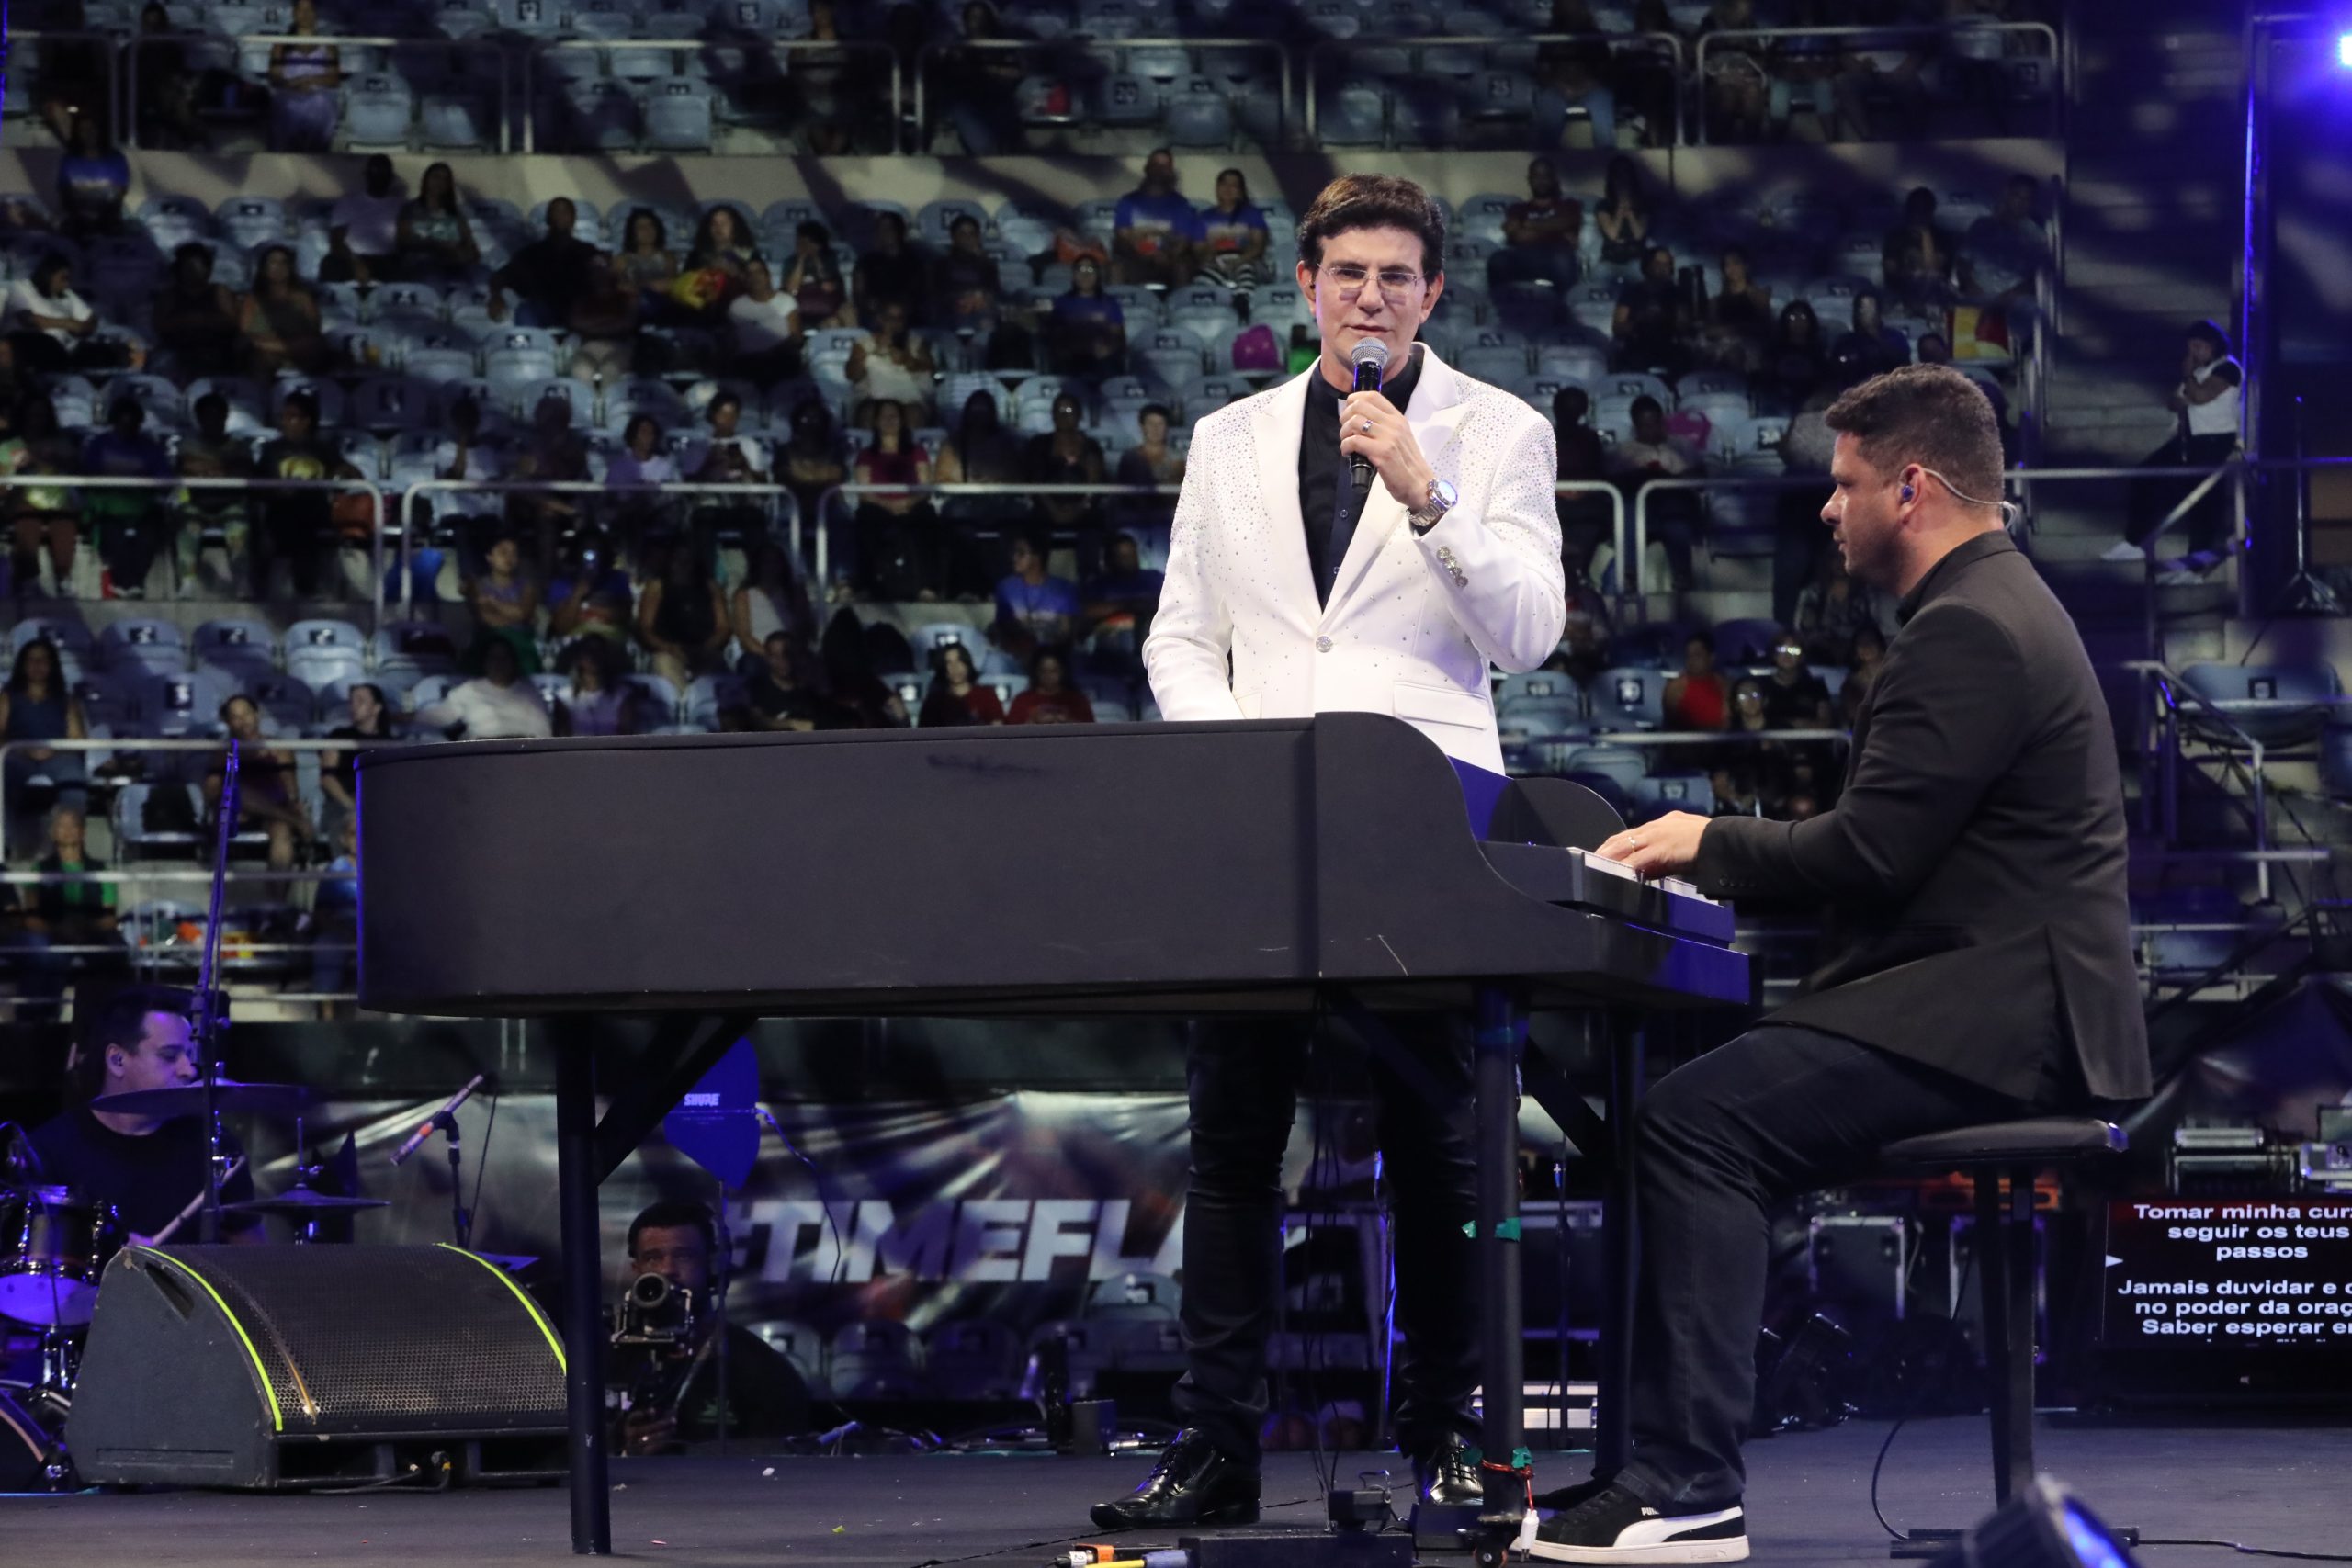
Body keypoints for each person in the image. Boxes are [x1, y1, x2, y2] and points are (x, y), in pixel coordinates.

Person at [1538, 364, 2147, 1562]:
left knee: (1696, 1123)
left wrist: (1707, 840)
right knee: (1701, 1108)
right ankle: (1660, 1462)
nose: (1827, 507)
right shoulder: (1996, 602)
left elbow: (1872, 851)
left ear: (1910, 488)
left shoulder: (1967, 627)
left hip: (2005, 1017)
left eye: (1844, 482)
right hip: (1999, 1001)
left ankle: (1686, 1483)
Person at [1112, 174, 1563, 1532]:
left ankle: (1443, 1435)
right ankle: (1215, 1446)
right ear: (1306, 284)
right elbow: (1180, 636)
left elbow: (1528, 634)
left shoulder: (1498, 431)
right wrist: (1237, 762)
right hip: (1258, 826)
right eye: (1349, 273)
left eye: (1397, 276)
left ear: (1434, 294)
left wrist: (1427, 492)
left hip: (1425, 826)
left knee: (1442, 1148)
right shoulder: (1228, 438)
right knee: (1232, 1140)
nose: (1372, 296)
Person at [28, 987, 263, 1245]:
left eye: (189, 1056)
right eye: (169, 1056)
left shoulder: (214, 1147)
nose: (188, 1070)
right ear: (117, 1060)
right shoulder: (48, 1151)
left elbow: (251, 1257)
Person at [613, 1201, 810, 1454]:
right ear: (636, 1269)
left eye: (683, 1256)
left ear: (713, 1267)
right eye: (653, 1258)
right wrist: (620, 1447)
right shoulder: (606, 1358)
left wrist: (688, 1453)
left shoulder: (762, 1368)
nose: (667, 1270)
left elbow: (781, 1463)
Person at [2106, 320, 2242, 564]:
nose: (2193, 354)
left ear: (2213, 345)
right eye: (2190, 349)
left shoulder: (2228, 369)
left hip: (2213, 441)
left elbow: (2199, 396)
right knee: (2145, 477)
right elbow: (2173, 401)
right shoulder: (2198, 373)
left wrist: (2188, 380)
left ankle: (2196, 564)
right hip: (2188, 440)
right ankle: (2135, 541)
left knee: (2202, 502)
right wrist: (2189, 389)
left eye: (2198, 347)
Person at [9, 806, 119, 1020]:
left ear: (83, 831)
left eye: (73, 825)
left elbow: (109, 918)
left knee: (114, 949)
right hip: (51, 936)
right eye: (61, 825)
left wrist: (85, 930)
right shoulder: (39, 870)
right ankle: (33, 1019)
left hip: (90, 935)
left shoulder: (101, 870)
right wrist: (58, 931)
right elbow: (30, 918)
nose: (68, 830)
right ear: (52, 832)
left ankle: (108, 1017)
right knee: (44, 955)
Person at [254, 391, 360, 599]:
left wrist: (341, 471)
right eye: (283, 417)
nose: (285, 422)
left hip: (313, 510)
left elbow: (353, 473)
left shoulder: (323, 449)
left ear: (306, 421)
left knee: (305, 521)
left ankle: (306, 589)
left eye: (291, 417)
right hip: (279, 510)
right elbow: (258, 483)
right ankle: (262, 590)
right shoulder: (271, 450)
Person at [81, 396, 177, 599]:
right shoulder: (99, 445)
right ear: (114, 422)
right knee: (113, 536)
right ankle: (121, 583)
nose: (127, 428)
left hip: (142, 506)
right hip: (108, 507)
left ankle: (135, 584)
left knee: (149, 535)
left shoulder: (149, 447)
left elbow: (164, 476)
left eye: (132, 423)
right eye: (123, 423)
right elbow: (88, 474)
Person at [1607, 396, 1704, 591]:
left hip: (1675, 504)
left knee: (1676, 524)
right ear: (1636, 425)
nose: (1651, 430)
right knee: (1629, 512)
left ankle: (1683, 577)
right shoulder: (1624, 451)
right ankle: (1630, 574)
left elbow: (1700, 476)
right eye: (1645, 425)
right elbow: (1615, 482)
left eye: (1655, 423)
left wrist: (1670, 477)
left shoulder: (1682, 446)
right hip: (1640, 507)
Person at [206, 695, 312, 871]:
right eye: (235, 717)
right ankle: (296, 821)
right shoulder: (223, 753)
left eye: (246, 714)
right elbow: (211, 792)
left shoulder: (278, 749)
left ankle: (277, 889)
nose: (243, 721)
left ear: (257, 714)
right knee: (236, 790)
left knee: (282, 830)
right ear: (228, 722)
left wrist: (293, 806)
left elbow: (291, 792)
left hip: (274, 811)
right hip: (236, 814)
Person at [1, 639, 89, 850]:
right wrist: (24, 749)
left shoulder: (66, 699)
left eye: (43, 660)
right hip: (17, 754)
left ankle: (69, 845)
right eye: (32, 660)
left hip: (58, 755)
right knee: (3, 777)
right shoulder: (7, 697)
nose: (37, 665)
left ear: (52, 665)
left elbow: (77, 737)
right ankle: (6, 843)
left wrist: (52, 750)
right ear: (23, 665)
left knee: (74, 780)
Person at [852, 399, 939, 602]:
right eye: (884, 416)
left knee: (926, 516)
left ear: (902, 421)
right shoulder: (866, 455)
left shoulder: (917, 452)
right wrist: (888, 505)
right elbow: (864, 492)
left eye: (894, 416)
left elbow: (925, 487)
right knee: (865, 517)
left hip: (911, 505)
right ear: (876, 422)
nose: (889, 420)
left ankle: (926, 586)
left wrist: (907, 503)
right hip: (878, 507)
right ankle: (867, 585)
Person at [175, 392, 256, 592]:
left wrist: (211, 467)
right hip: (197, 504)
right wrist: (221, 467)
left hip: (230, 505)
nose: (212, 421)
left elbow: (245, 470)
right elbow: (185, 467)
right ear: (199, 419)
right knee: (187, 528)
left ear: (225, 417)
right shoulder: (188, 445)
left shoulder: (239, 446)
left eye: (217, 415)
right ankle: (187, 581)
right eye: (207, 416)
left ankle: (242, 583)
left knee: (239, 530)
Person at [489, 197, 599, 330]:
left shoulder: (588, 252)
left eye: (565, 212)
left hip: (579, 311)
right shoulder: (531, 253)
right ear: (548, 219)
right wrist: (496, 297)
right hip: (541, 311)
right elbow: (500, 277)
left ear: (573, 219)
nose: (560, 216)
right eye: (556, 212)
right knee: (525, 312)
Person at [636, 544, 731, 690]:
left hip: (706, 649)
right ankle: (680, 700)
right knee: (665, 665)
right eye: (678, 559)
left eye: (688, 560)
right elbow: (645, 628)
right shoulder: (656, 587)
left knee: (715, 670)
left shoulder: (711, 587)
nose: (683, 564)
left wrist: (707, 647)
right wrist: (669, 648)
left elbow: (723, 627)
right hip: (667, 650)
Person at [1488, 158, 1584, 298]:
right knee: (1498, 260)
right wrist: (1556, 231)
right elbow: (1516, 235)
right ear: (1529, 179)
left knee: (1562, 260)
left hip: (1557, 255)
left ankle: (1567, 306)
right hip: (1523, 256)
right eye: (1536, 176)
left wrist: (1528, 224)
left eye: (1546, 176)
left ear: (1554, 179)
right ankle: (1502, 306)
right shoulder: (1518, 208)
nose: (1541, 181)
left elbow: (1567, 222)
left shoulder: (1568, 205)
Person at [421, 638, 551, 739]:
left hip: (522, 752)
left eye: (504, 658)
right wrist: (409, 717)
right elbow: (440, 716)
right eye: (494, 658)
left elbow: (543, 730)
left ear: (513, 662)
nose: (499, 663)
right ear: (485, 662)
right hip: (480, 751)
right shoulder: (470, 690)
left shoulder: (529, 692)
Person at [1533, 0, 1618, 151]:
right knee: (1548, 101)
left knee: (1603, 100)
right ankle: (1546, 158)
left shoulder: (1594, 35)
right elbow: (1542, 71)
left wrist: (1588, 86)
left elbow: (1605, 70)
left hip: (1591, 89)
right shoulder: (1550, 36)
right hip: (1558, 89)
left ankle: (1606, 154)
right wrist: (1561, 87)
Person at [1023, 393, 1107, 539]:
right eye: (1059, 410)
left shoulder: (1090, 447)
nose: (1063, 415)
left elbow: (1095, 484)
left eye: (1068, 410)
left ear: (1079, 415)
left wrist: (1080, 508)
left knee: (1095, 531)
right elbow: (1035, 481)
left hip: (1083, 512)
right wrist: (1054, 510)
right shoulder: (1039, 444)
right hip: (1046, 510)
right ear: (1053, 414)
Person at [1113, 149, 1199, 288]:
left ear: (1170, 171)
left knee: (1183, 266)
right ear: (1147, 168)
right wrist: (1144, 252)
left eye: (1164, 166)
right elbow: (1123, 235)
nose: (1159, 170)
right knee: (1116, 267)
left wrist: (1167, 256)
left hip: (1168, 260)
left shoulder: (1180, 204)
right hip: (1135, 259)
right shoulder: (1128, 201)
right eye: (1156, 165)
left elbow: (1183, 240)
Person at [237, 244, 328, 378]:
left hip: (299, 354)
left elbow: (314, 333)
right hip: (264, 355)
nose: (279, 267)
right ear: (264, 268)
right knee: (258, 357)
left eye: (283, 263)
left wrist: (284, 344)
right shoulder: (252, 301)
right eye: (273, 262)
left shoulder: (303, 299)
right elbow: (245, 336)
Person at [153, 243, 243, 375]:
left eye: (198, 266)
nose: (193, 271)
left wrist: (199, 320)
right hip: (180, 349)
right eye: (188, 266)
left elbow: (231, 320)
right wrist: (189, 321)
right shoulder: (170, 295)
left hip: (217, 347)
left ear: (208, 269)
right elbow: (161, 324)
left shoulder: (218, 290)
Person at [6, 253, 102, 376]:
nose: (67, 284)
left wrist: (83, 328)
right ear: (48, 275)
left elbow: (91, 319)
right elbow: (28, 319)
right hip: (31, 346)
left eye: (69, 279)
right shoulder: (20, 288)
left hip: (70, 349)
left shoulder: (67, 295)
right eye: (63, 278)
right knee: (48, 345)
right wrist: (68, 323)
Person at [992, 529, 1082, 661]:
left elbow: (1066, 632)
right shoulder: (1005, 587)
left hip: (1054, 656)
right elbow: (1003, 628)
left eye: (1021, 553)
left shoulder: (1064, 589)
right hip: (1017, 655)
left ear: (1037, 557)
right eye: (1014, 553)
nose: (1014, 558)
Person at [317, 682, 396, 830]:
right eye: (352, 701)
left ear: (377, 707)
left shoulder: (391, 743)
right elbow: (327, 779)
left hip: (380, 806)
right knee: (352, 825)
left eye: (361, 700)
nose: (354, 706)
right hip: (342, 805)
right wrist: (353, 806)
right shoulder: (339, 736)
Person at [267, 0, 343, 152]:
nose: (305, 15)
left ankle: (318, 153)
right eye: (301, 10)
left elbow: (334, 79)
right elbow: (275, 78)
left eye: (309, 10)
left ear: (316, 14)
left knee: (321, 102)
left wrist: (309, 80)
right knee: (285, 106)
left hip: (318, 96)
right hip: (289, 94)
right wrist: (292, 84)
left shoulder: (328, 45)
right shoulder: (280, 45)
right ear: (294, 14)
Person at [845, 298, 935, 423]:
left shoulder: (916, 342)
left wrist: (907, 360)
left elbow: (930, 370)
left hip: (909, 400)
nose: (895, 323)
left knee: (914, 415)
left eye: (899, 318)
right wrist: (871, 353)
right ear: (880, 319)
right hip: (872, 399)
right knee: (869, 414)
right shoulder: (864, 343)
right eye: (890, 318)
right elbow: (851, 375)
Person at [465, 532, 542, 675]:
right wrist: (514, 617)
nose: (509, 558)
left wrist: (493, 603)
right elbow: (483, 618)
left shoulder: (527, 586)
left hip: (521, 644)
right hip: (487, 641)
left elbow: (523, 613)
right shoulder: (477, 585)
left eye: (514, 553)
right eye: (503, 552)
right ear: (489, 557)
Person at [393, 162, 480, 285]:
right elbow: (403, 239)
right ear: (426, 180)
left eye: (445, 179)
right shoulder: (411, 210)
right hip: (422, 265)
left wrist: (464, 254)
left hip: (454, 265)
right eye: (436, 177)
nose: (440, 182)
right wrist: (438, 243)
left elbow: (470, 245)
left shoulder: (455, 214)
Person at [326, 154, 404, 285]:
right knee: (330, 264)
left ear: (390, 177)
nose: (379, 177)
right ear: (366, 175)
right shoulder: (348, 202)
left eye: (383, 173)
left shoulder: (400, 205)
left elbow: (406, 238)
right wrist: (355, 262)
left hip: (387, 261)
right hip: (352, 258)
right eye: (375, 171)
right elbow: (336, 241)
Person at [1611, 245, 1689, 376]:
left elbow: (1684, 325)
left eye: (1667, 264)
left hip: (1668, 345)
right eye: (1658, 263)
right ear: (1647, 265)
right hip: (1637, 344)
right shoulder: (1632, 292)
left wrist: (1665, 318)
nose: (1663, 268)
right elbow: (1618, 327)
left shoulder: (1677, 294)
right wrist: (1639, 321)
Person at [728, 260, 802, 388]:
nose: (755, 277)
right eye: (750, 274)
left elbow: (797, 338)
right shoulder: (737, 306)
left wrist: (773, 349)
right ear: (745, 279)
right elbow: (732, 340)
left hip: (779, 359)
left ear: (768, 276)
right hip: (748, 362)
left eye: (759, 272)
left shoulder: (785, 301)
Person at [55, 111, 130, 238]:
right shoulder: (69, 160)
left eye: (92, 128)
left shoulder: (116, 160)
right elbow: (65, 195)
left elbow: (118, 196)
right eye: (83, 130)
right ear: (77, 133)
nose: (88, 133)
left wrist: (99, 219)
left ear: (99, 131)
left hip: (108, 222)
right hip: (77, 223)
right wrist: (82, 217)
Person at [1049, 256, 1125, 377]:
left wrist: (1108, 349)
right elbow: (1056, 334)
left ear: (1097, 275)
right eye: (1080, 270)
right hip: (1071, 360)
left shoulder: (1110, 303)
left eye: (1090, 270)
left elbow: (1117, 335)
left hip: (1102, 360)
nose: (1085, 275)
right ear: (1073, 275)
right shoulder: (1062, 303)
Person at [743, 632, 837, 731]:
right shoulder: (758, 686)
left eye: (786, 655)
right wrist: (789, 724)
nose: (781, 661)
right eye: (774, 656)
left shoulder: (808, 685)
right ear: (767, 657)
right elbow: (758, 719)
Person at [1699, 245, 1770, 372]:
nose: (1732, 268)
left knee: (1735, 355)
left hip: (1749, 348)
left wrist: (1733, 330)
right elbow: (1709, 330)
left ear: (1745, 266)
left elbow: (1764, 327)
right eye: (1727, 265)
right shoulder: (1716, 301)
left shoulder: (1757, 295)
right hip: (1720, 345)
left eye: (1736, 263)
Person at [1195, 170, 1272, 288]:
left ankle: (1243, 297)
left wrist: (1237, 261)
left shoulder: (1252, 214)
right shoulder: (1205, 217)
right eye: (1224, 184)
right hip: (1216, 263)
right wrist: (1212, 258)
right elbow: (1198, 249)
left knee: (1246, 276)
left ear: (1240, 191)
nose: (1228, 188)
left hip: (1245, 261)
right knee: (1202, 281)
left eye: (1234, 185)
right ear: (1217, 187)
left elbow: (1258, 246)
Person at [554, 637, 641, 738]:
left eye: (598, 651)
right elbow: (562, 734)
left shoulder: (623, 695)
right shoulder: (564, 698)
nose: (593, 656)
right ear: (579, 657)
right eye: (588, 651)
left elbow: (627, 734)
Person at [854, 212, 928, 324]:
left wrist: (899, 308)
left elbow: (922, 294)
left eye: (889, 228)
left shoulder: (916, 262)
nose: (884, 233)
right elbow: (859, 294)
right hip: (876, 316)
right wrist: (874, 306)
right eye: (880, 229)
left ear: (901, 231)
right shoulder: (866, 262)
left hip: (907, 316)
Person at [782, 220, 853, 330]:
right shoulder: (790, 262)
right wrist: (801, 260)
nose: (804, 246)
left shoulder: (829, 259)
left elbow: (827, 286)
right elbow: (791, 290)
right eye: (800, 242)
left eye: (808, 242)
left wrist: (817, 260)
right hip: (798, 313)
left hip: (827, 313)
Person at [917, 641, 1003, 727]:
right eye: (949, 662)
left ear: (967, 663)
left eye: (959, 660)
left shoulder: (987, 696)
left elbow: (998, 729)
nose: (955, 667)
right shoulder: (934, 702)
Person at [1758, 633, 1832, 728]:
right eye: (1782, 649)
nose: (1787, 655)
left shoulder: (1816, 687)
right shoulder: (1760, 686)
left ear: (1802, 656)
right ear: (1774, 655)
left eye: (1794, 650)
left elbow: (1825, 721)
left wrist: (1800, 725)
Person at [1660, 632, 1729, 731]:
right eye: (1688, 655)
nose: (1692, 660)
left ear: (1711, 657)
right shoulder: (1675, 688)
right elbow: (1669, 726)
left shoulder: (1724, 685)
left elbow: (1728, 723)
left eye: (1697, 655)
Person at [1006, 649, 1093, 725]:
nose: (1048, 676)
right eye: (1044, 671)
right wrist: (1034, 721)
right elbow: (1010, 733)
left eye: (1053, 671)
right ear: (1036, 672)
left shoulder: (1077, 700)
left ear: (1063, 672)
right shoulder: (1022, 701)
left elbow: (1090, 731)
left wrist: (1068, 721)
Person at [614, 209, 681, 308]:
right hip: (632, 308)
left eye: (651, 225)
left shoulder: (668, 257)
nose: (647, 230)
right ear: (632, 232)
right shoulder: (622, 259)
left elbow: (673, 285)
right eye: (641, 227)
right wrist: (647, 287)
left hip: (662, 307)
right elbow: (617, 287)